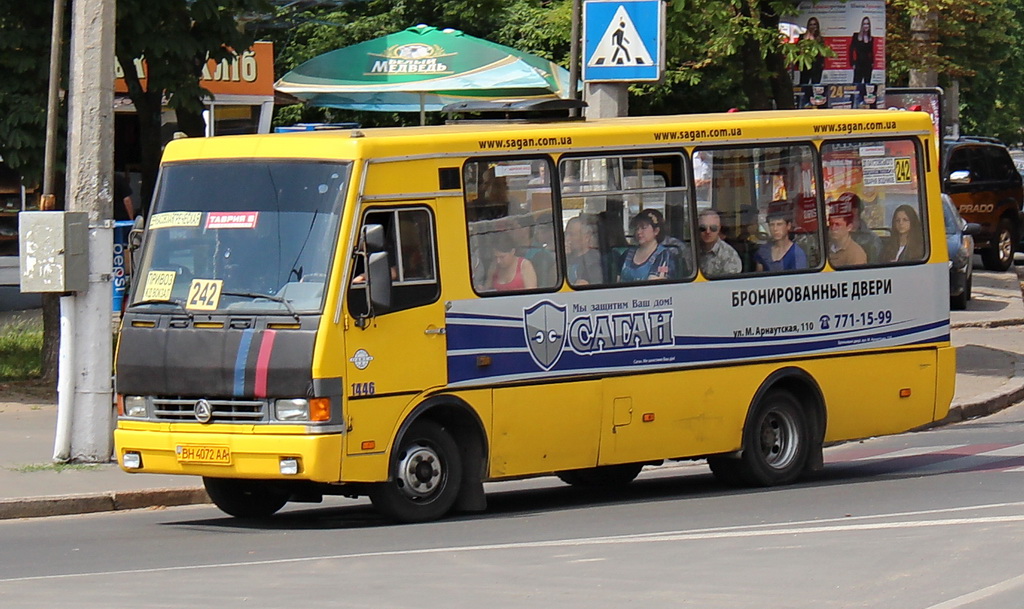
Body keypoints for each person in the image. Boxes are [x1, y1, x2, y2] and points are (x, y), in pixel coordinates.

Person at [619, 209, 675, 282]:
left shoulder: (663, 255)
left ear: (656, 231)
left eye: (643, 228)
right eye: (637, 228)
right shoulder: (627, 254)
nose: (639, 232)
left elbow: (654, 285)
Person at [696, 208, 742, 277]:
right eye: (703, 228)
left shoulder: (730, 255)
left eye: (713, 228)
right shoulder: (689, 251)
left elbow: (730, 285)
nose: (708, 232)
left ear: (719, 228)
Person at [828, 199, 867, 267]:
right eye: (831, 224)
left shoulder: (856, 253)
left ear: (849, 227)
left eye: (838, 225)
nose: (833, 228)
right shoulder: (826, 248)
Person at [565, 216, 602, 285]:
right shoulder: (566, 258)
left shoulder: (593, 261)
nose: (567, 238)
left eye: (572, 235)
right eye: (566, 234)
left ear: (586, 237)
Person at [798, 17, 825, 85]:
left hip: (816, 65)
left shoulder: (819, 38)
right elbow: (800, 50)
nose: (812, 26)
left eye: (814, 24)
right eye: (811, 24)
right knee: (804, 84)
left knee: (815, 85)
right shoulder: (802, 37)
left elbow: (822, 53)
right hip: (805, 65)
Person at [849, 16, 874, 84]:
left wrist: (872, 63)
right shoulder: (856, 36)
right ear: (862, 25)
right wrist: (852, 63)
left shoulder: (871, 38)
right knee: (856, 84)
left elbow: (871, 52)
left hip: (868, 65)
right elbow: (851, 50)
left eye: (868, 24)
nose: (866, 26)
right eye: (864, 24)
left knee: (867, 84)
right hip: (859, 64)